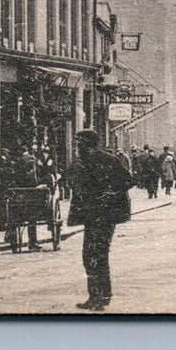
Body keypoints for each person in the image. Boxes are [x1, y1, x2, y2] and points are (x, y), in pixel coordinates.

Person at [67, 130, 133, 311]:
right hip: (91, 215)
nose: (77, 147)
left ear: (88, 144)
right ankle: (95, 296)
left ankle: (102, 297)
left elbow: (127, 180)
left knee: (98, 256)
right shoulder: (82, 162)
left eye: (79, 143)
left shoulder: (106, 159)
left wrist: (110, 193)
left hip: (104, 216)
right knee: (90, 256)